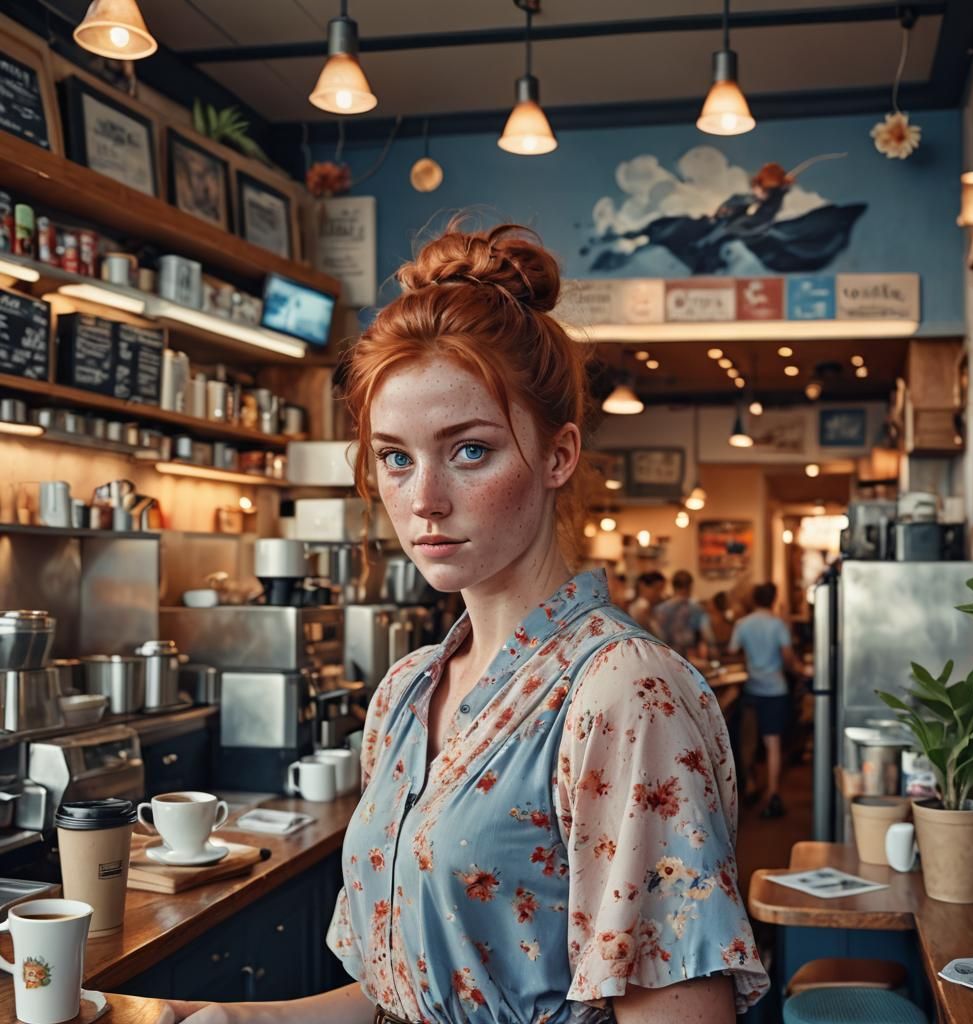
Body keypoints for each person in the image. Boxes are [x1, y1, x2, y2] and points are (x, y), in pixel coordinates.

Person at [158, 222, 767, 1024]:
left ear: (558, 456)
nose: (423, 500)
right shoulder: (407, 692)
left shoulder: (622, 693)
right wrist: (247, 1019)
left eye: (469, 450)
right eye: (396, 457)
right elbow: (405, 1000)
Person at [728, 582, 806, 819]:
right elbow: (788, 657)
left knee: (748, 741)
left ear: (753, 599)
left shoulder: (743, 624)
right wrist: (801, 670)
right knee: (772, 743)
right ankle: (772, 791)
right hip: (775, 688)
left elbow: (732, 651)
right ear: (774, 599)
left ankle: (750, 782)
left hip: (752, 688)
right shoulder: (778, 625)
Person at [653, 570, 715, 660]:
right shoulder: (696, 608)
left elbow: (657, 635)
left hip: (667, 655)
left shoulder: (660, 610)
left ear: (673, 586)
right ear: (690, 586)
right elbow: (707, 634)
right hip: (691, 655)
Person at [627, 570, 665, 634]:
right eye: (656, 589)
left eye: (661, 589)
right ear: (642, 586)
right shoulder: (642, 606)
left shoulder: (649, 606)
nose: (659, 593)